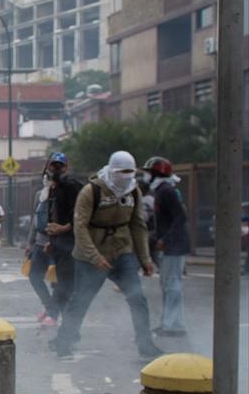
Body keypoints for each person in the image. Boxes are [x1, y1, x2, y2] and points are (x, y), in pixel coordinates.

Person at [52, 150, 161, 360]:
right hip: (90, 255)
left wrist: (145, 259)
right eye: (122, 172)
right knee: (81, 300)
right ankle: (64, 340)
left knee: (137, 298)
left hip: (122, 251)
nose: (126, 178)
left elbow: (138, 226)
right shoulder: (91, 191)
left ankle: (145, 345)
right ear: (112, 170)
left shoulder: (133, 191)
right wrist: (94, 257)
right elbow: (80, 228)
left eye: (131, 172)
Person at [144, 156, 189, 337]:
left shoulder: (166, 191)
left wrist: (165, 239)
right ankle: (169, 323)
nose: (146, 177)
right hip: (171, 245)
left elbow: (180, 217)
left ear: (156, 174)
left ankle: (173, 325)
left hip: (174, 246)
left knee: (172, 285)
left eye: (149, 173)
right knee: (168, 284)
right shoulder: (162, 191)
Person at [44, 152, 80, 326]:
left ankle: (56, 315)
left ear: (67, 167)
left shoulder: (71, 186)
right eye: (53, 166)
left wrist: (63, 228)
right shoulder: (54, 188)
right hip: (59, 244)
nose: (56, 169)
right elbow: (53, 217)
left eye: (60, 166)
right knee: (61, 283)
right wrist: (51, 241)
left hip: (71, 244)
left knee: (66, 285)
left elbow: (79, 216)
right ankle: (64, 322)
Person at [25, 168, 56, 325]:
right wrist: (30, 243)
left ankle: (53, 314)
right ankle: (49, 306)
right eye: (46, 176)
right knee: (34, 276)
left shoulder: (62, 194)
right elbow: (34, 220)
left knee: (56, 280)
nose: (48, 179)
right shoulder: (40, 195)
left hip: (57, 245)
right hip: (39, 243)